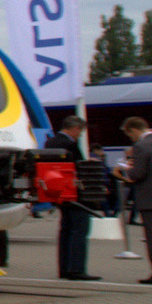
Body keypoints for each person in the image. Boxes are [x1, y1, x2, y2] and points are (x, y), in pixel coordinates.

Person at [43, 116, 98, 280]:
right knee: (79, 231)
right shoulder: (70, 145)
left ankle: (64, 268)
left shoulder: (50, 142)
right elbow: (78, 167)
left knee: (65, 230)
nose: (80, 135)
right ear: (76, 128)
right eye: (80, 131)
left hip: (58, 193)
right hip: (75, 194)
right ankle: (76, 269)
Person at [115, 116, 152, 286]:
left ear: (134, 130)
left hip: (149, 200)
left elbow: (138, 173)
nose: (131, 139)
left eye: (130, 135)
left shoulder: (141, 146)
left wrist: (126, 171)